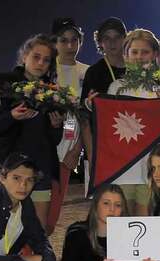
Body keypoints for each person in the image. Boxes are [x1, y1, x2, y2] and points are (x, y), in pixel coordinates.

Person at [0, 34, 64, 229]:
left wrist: (56, 126)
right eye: (36, 56)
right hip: (10, 168)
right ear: (24, 55)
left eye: (46, 60)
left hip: (40, 170)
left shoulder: (52, 92)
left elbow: (54, 140)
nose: (40, 63)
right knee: (5, 229)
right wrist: (11, 116)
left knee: (40, 230)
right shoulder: (2, 82)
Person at [104, 28, 160, 216]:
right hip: (123, 170)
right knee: (121, 226)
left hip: (151, 170)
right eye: (134, 52)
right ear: (126, 55)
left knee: (147, 226)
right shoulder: (115, 88)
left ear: (154, 55)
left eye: (145, 52)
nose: (139, 57)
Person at [47, 17, 90, 235]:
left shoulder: (87, 72)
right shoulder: (44, 67)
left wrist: (76, 150)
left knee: (52, 211)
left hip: (66, 154)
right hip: (41, 150)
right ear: (54, 42)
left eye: (75, 40)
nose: (70, 46)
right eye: (64, 40)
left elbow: (87, 118)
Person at [54, 184, 144, 261]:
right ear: (96, 205)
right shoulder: (77, 234)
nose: (112, 209)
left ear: (122, 210)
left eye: (118, 205)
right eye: (106, 203)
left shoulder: (128, 234)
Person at [80, 17, 127, 169]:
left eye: (117, 37)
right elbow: (84, 119)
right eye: (107, 38)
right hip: (104, 149)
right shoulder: (94, 73)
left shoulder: (136, 68)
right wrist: (92, 155)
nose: (112, 43)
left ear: (125, 39)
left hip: (133, 144)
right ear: (100, 42)